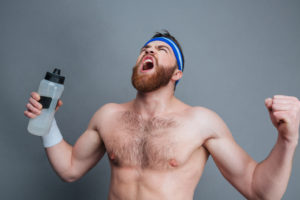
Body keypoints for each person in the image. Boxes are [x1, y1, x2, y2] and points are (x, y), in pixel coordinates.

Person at [24, 30, 300, 200]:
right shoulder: (108, 116)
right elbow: (70, 169)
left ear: (176, 73)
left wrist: (287, 140)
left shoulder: (201, 122)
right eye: (145, 48)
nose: (149, 50)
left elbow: (260, 191)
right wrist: (46, 122)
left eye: (161, 49)